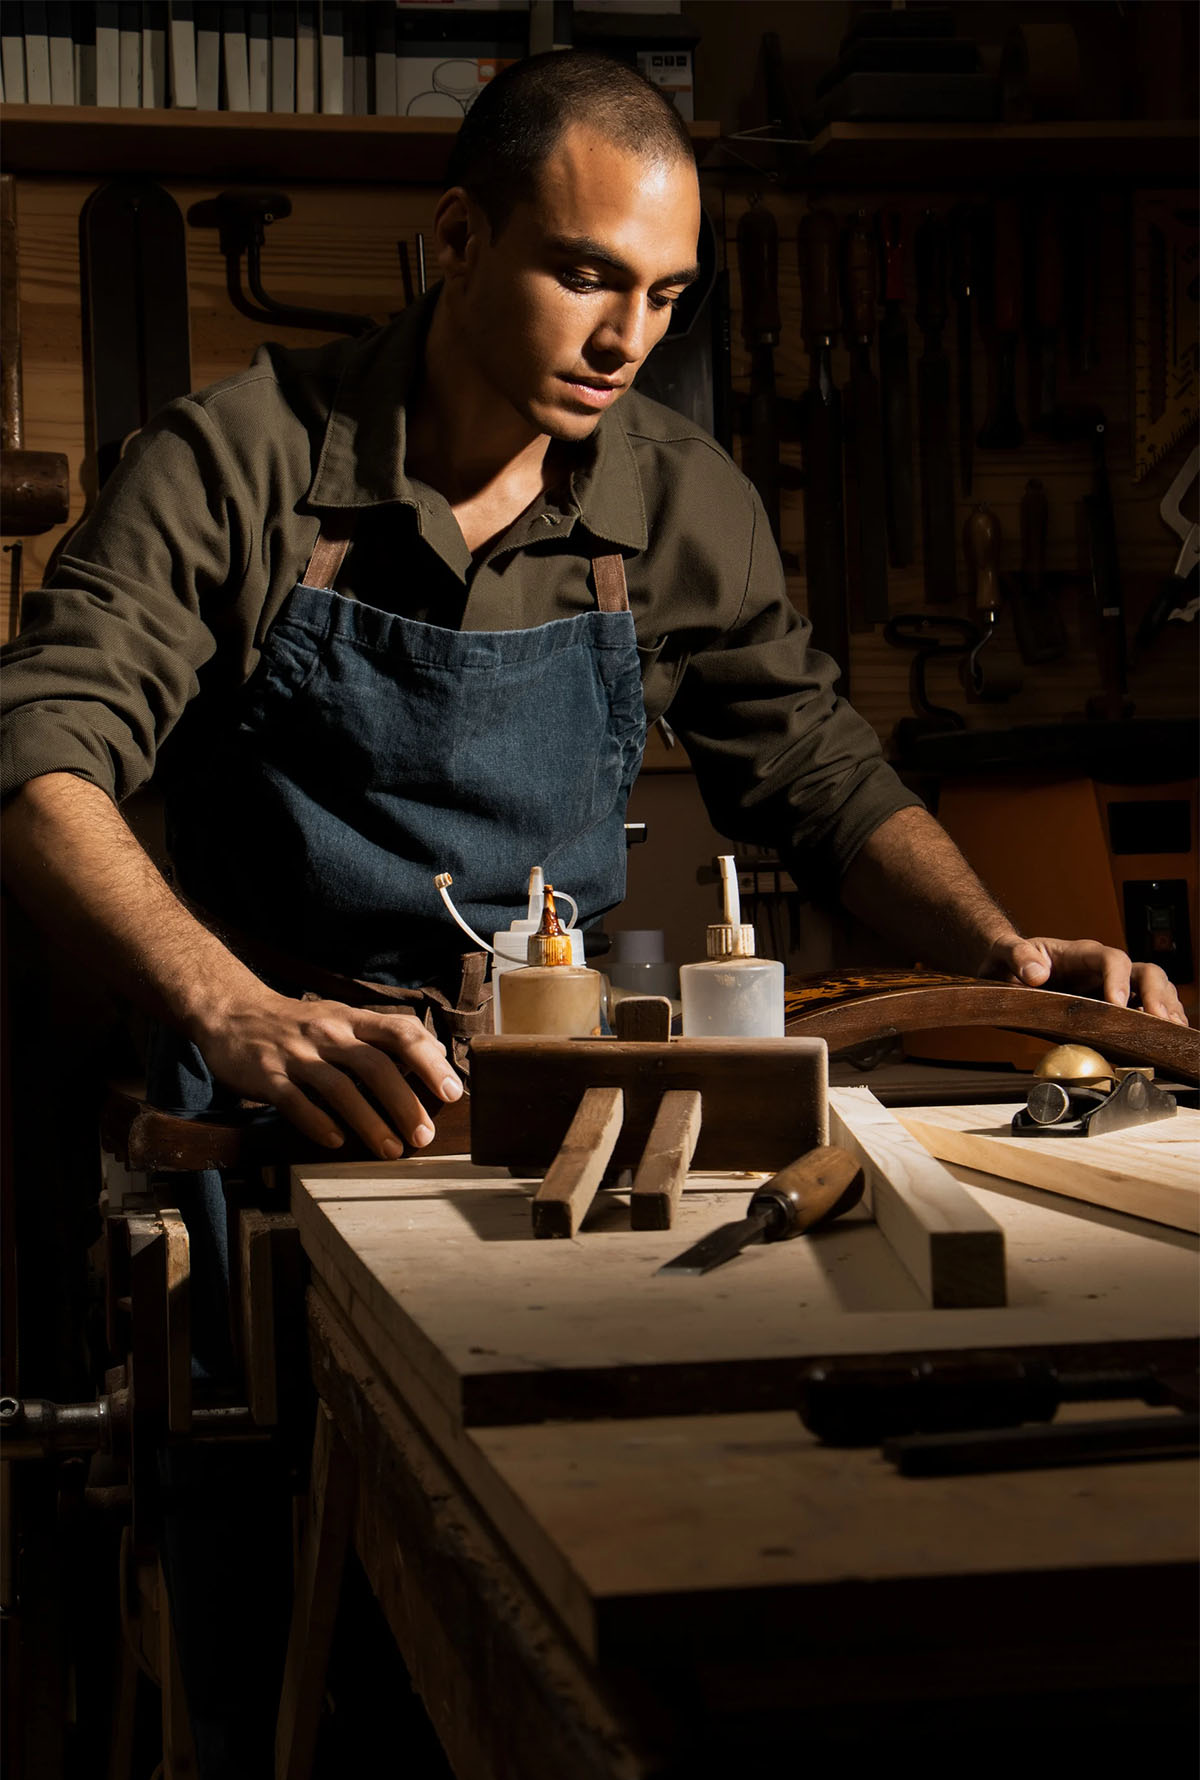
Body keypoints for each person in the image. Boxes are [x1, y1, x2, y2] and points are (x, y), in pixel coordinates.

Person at [2, 48, 1186, 1163]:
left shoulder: (684, 501)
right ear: (460, 234)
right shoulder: (234, 461)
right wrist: (233, 1007)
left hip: (554, 1081)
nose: (628, 341)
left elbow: (820, 778)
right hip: (276, 1083)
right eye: (585, 276)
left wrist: (1003, 955)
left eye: (666, 293)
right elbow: (36, 757)